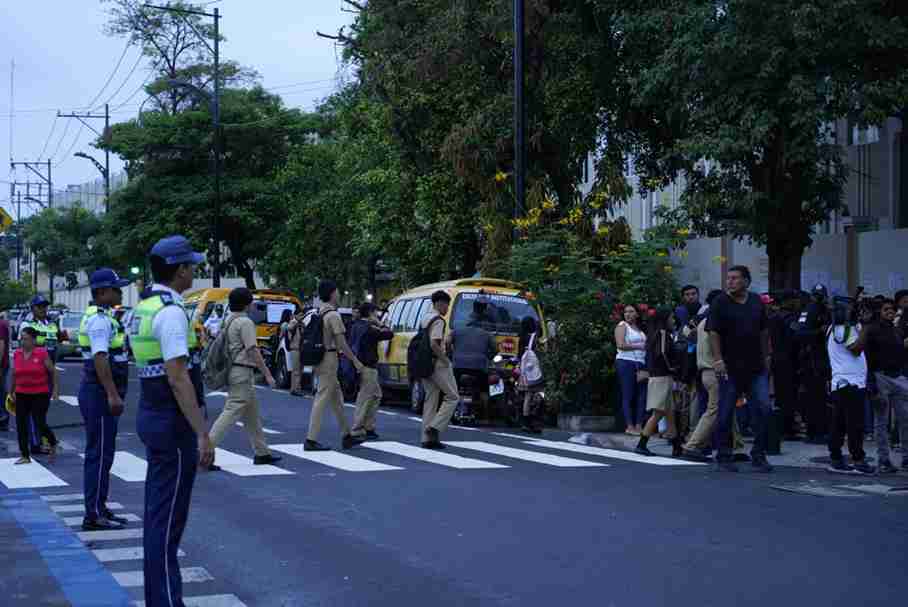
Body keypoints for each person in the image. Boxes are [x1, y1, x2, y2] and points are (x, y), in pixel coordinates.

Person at [132, 235, 215, 607]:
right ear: (180, 269)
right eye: (191, 265)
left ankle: (160, 598)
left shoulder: (146, 305)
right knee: (167, 524)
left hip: (153, 415)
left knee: (158, 516)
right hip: (172, 421)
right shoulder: (170, 311)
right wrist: (202, 434)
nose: (194, 270)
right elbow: (178, 376)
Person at [77, 269, 133, 531]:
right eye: (115, 288)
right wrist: (112, 394)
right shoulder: (99, 320)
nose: (120, 292)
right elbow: (100, 358)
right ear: (101, 292)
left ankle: (99, 506)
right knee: (99, 454)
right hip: (99, 393)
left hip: (100, 392)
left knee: (104, 453)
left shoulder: (105, 316)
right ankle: (94, 514)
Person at [708, 265, 774, 473]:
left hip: (756, 366)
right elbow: (713, 333)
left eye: (735, 278)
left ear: (746, 281)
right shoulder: (720, 303)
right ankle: (724, 454)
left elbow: (764, 331)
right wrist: (718, 360)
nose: (730, 282)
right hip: (730, 367)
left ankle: (759, 454)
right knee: (726, 411)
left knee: (763, 408)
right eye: (728, 278)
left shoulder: (756, 301)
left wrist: (767, 356)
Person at [207, 288, 282, 470]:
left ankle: (262, 452)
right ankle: (205, 451)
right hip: (242, 371)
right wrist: (268, 374)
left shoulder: (229, 320)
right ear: (247, 304)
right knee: (230, 412)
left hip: (235, 371)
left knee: (251, 414)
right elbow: (252, 350)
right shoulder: (245, 322)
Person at [304, 280, 365, 452]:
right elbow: (342, 344)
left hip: (320, 358)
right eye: (337, 292)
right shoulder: (333, 315)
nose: (339, 295)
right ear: (331, 293)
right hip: (329, 358)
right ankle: (311, 439)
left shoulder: (318, 312)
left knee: (336, 399)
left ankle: (347, 435)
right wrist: (356, 361)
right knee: (322, 398)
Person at [855, 298, 908, 473]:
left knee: (905, 419)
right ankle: (884, 459)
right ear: (879, 312)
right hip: (880, 377)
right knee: (881, 422)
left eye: (892, 308)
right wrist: (871, 383)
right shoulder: (871, 330)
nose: (890, 311)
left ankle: (906, 458)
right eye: (886, 309)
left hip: (898, 377)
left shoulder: (896, 329)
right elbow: (866, 359)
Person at [825, 301, 873, 474]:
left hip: (844, 383)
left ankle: (836, 458)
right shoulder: (842, 330)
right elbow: (856, 349)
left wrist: (864, 322)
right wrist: (866, 326)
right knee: (855, 424)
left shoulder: (838, 328)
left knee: (839, 423)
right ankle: (858, 460)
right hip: (850, 383)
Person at [9, 326, 59, 465]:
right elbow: (14, 374)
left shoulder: (41, 353)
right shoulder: (17, 354)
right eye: (21, 339)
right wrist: (11, 391)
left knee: (39, 423)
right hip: (21, 393)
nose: (22, 342)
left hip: (39, 393)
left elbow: (53, 372)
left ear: (33, 340)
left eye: (25, 339)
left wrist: (55, 390)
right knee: (21, 425)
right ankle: (25, 455)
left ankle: (53, 442)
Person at [635, 307, 680, 456]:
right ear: (665, 319)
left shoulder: (656, 334)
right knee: (659, 412)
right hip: (662, 376)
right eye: (671, 317)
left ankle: (676, 446)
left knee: (669, 413)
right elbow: (662, 353)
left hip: (660, 376)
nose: (674, 320)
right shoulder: (662, 334)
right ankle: (642, 444)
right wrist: (672, 367)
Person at [420, 290, 460, 449]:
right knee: (452, 397)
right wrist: (445, 360)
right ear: (440, 303)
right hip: (437, 363)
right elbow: (434, 344)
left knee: (431, 399)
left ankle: (427, 439)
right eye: (447, 305)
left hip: (424, 363)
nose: (447, 308)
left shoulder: (425, 318)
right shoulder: (439, 321)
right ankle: (435, 428)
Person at [349, 302, 394, 440]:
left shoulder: (356, 326)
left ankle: (368, 427)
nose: (377, 315)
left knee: (375, 395)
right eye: (375, 313)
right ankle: (358, 429)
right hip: (368, 366)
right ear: (370, 313)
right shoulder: (368, 328)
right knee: (365, 397)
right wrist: (379, 323)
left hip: (360, 366)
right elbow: (389, 334)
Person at [449, 297, 498, 421]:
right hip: (479, 366)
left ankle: (451, 412)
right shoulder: (486, 333)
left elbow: (447, 342)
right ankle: (486, 416)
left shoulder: (457, 330)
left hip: (458, 365)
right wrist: (488, 357)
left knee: (453, 389)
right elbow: (495, 349)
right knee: (484, 390)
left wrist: (452, 355)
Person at [796, 283, 832, 444]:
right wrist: (819, 332)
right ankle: (814, 432)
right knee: (813, 398)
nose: (820, 298)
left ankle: (821, 429)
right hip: (811, 361)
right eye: (818, 295)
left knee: (821, 397)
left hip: (822, 359)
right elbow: (800, 333)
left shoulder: (825, 310)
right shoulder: (808, 310)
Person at [769, 290, 802, 439]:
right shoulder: (790, 318)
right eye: (795, 300)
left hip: (777, 358)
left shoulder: (773, 317)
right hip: (789, 360)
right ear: (788, 301)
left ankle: (783, 427)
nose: (798, 303)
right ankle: (788, 429)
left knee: (781, 395)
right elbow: (795, 338)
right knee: (789, 396)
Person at [614, 304, 648, 435]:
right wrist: (640, 346)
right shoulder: (622, 325)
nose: (628, 314)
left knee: (642, 395)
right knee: (628, 394)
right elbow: (620, 344)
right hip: (625, 362)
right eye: (626, 312)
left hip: (641, 363)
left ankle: (639, 425)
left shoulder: (640, 328)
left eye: (631, 311)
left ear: (637, 314)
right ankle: (629, 425)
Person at [517, 316, 544, 434]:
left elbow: (519, 355)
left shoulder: (521, 337)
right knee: (537, 395)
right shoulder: (535, 337)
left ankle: (525, 421)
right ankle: (533, 420)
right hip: (534, 371)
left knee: (527, 396)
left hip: (524, 370)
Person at [286, 309, 305, 396]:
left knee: (299, 370)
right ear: (295, 315)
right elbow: (289, 328)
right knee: (296, 370)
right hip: (295, 348)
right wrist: (296, 323)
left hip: (300, 349)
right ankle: (295, 389)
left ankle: (295, 388)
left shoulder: (301, 324)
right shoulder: (293, 322)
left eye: (303, 315)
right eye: (300, 315)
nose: (302, 317)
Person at [0, 314, 9, 432]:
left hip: (1, 365)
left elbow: (1, 346)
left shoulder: (0, 325)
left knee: (1, 392)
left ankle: (3, 419)